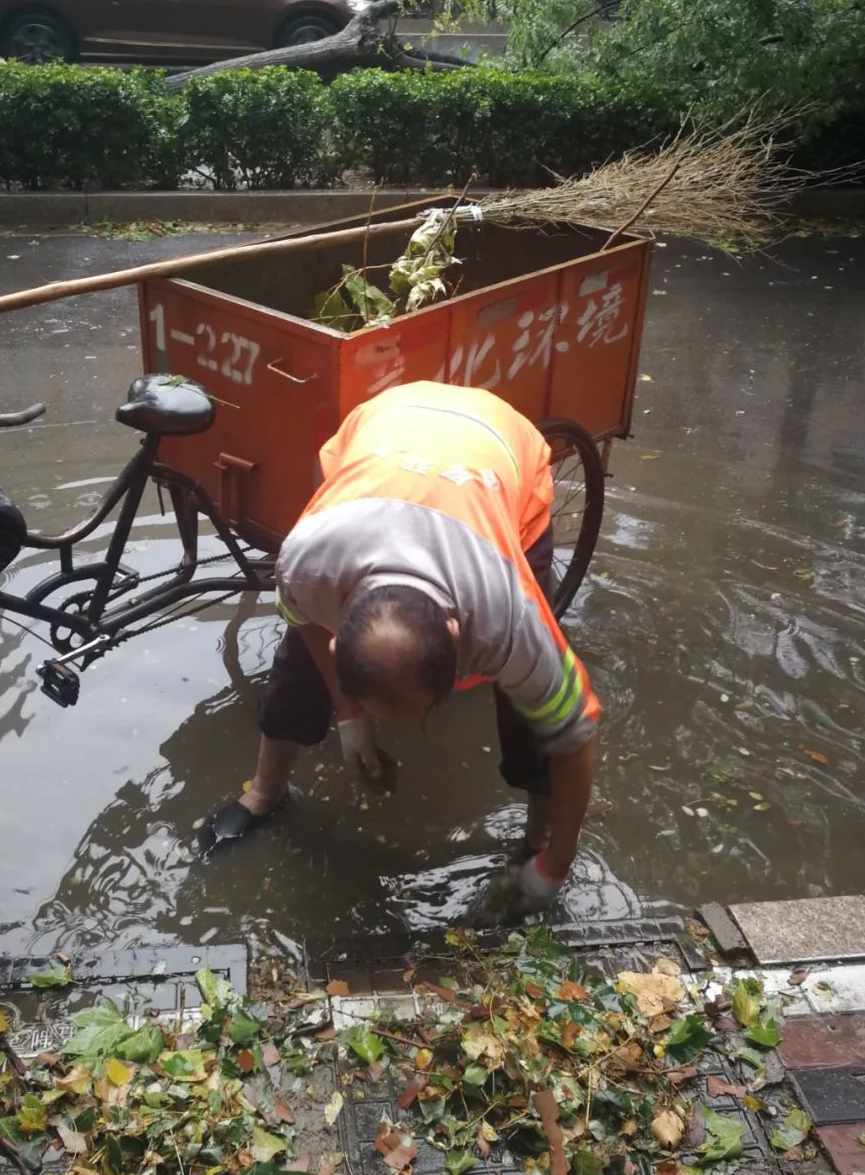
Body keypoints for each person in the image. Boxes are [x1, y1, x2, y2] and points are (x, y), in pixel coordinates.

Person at [204, 381, 600, 916]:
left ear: (463, 641)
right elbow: (304, 625)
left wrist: (556, 864)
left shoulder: (506, 615)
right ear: (341, 628)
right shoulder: (306, 561)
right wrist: (349, 718)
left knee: (528, 714)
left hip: (503, 455)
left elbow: (574, 733)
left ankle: (535, 835)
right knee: (297, 666)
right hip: (382, 424)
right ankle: (266, 790)